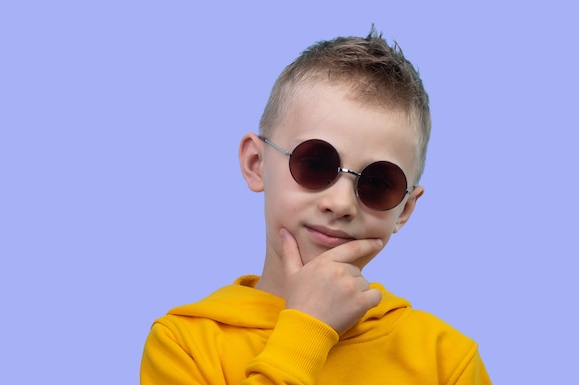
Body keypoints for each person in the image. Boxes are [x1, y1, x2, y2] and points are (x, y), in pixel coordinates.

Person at [140, 27, 491, 384]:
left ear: (404, 210)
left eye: (378, 183)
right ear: (256, 164)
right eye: (315, 164)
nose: (340, 204)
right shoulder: (184, 345)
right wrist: (306, 331)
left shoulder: (445, 358)